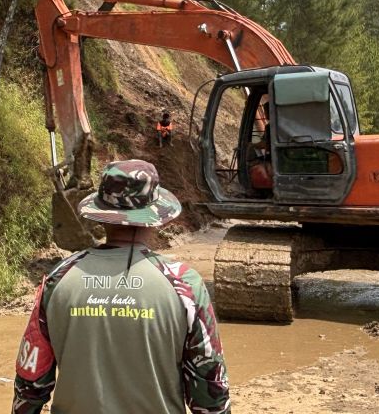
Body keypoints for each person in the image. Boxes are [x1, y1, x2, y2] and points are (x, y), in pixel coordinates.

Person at [12, 160, 230, 414]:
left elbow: (30, 384)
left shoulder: (58, 279)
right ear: (156, 218)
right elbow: (210, 389)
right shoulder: (184, 286)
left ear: (101, 216)